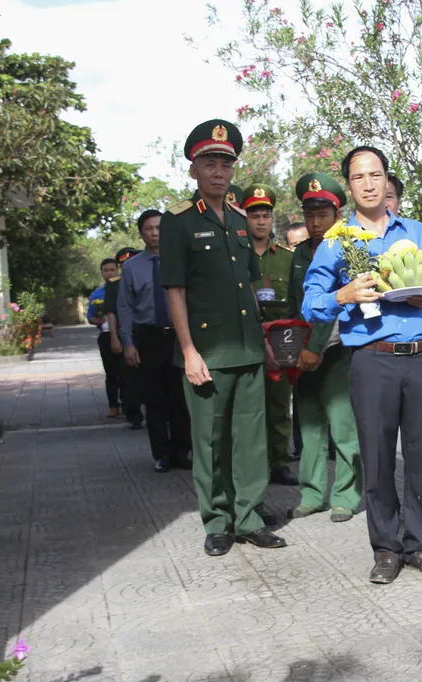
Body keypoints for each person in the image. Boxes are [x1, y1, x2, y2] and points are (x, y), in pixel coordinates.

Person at [302, 144, 422, 585]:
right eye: (359, 177)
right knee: (378, 456)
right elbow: (311, 303)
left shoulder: (421, 233)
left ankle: (420, 545)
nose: (369, 183)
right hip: (373, 361)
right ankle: (386, 548)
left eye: (376, 175)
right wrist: (342, 296)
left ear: (387, 179)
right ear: (349, 186)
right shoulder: (336, 242)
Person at [159, 119, 285, 557]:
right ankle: (217, 521)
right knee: (209, 442)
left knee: (251, 441)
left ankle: (249, 517)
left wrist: (264, 342)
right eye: (209, 163)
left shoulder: (238, 220)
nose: (218, 171)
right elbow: (175, 291)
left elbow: (250, 288)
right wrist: (189, 351)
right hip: (207, 354)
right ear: (194, 169)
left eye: (225, 164)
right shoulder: (177, 223)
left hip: (248, 348)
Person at [287, 172, 363, 522]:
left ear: (336, 216)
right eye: (309, 214)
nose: (315, 222)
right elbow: (295, 307)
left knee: (344, 427)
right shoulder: (299, 254)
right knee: (310, 426)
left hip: (337, 350)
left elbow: (339, 305)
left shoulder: (346, 250)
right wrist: (292, 350)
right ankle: (312, 493)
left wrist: (316, 347)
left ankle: (346, 495)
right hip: (302, 354)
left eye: (323, 215)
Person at [117, 209, 193, 473]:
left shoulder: (182, 259)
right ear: (141, 234)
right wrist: (127, 342)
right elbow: (125, 307)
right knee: (154, 399)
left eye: (159, 227)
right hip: (149, 336)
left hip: (179, 334)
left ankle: (183, 452)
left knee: (181, 397)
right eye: (149, 229)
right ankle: (161, 453)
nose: (155, 233)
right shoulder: (131, 266)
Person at [242, 183, 297, 486]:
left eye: (265, 215)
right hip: (246, 338)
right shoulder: (236, 256)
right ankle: (255, 465)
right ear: (245, 219)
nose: (261, 220)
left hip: (281, 340)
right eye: (254, 215)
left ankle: (280, 463)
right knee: (250, 407)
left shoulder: (286, 258)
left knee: (279, 404)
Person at [104, 247, 144, 429]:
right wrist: (114, 338)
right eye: (123, 263)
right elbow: (111, 313)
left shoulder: (151, 274)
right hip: (126, 335)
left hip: (148, 333)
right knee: (128, 377)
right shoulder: (115, 284)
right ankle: (133, 413)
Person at [284, 221, 310, 460]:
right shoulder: (294, 262)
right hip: (302, 334)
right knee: (302, 395)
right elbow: (292, 303)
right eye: (294, 244)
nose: (299, 248)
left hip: (333, 337)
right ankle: (302, 446)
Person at [88, 258, 121, 418]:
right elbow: (90, 317)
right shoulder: (97, 294)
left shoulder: (124, 289)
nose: (109, 273)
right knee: (111, 372)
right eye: (106, 270)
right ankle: (113, 405)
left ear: (118, 270)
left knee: (126, 372)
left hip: (124, 334)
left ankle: (130, 404)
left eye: (112, 270)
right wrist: (98, 320)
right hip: (106, 336)